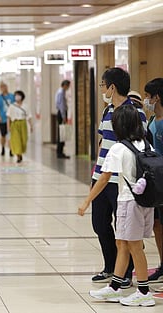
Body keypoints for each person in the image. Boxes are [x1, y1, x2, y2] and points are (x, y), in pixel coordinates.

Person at [78, 104, 155, 307]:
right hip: (145, 202)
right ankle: (115, 287)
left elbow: (103, 179)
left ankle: (144, 291)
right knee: (122, 243)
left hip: (129, 202)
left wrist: (87, 201)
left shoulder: (118, 149)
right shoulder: (146, 144)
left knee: (135, 247)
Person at [89, 67, 147, 287]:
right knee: (99, 223)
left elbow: (139, 145)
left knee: (125, 228)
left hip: (122, 180)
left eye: (103, 85)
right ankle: (110, 266)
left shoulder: (135, 112)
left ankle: (126, 273)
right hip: (101, 176)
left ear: (112, 87)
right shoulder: (107, 111)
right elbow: (103, 142)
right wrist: (95, 171)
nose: (102, 89)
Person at [143, 78, 163, 283]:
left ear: (156, 97)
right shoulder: (151, 121)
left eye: (148, 96)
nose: (146, 100)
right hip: (156, 179)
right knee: (157, 224)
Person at [6, 90, 33, 163]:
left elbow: (29, 116)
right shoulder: (12, 106)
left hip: (23, 124)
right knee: (16, 140)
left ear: (22, 97)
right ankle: (18, 155)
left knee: (23, 140)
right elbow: (8, 117)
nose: (17, 97)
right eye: (15, 95)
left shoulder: (25, 106)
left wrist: (31, 126)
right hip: (14, 124)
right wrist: (8, 127)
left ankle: (20, 153)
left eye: (18, 95)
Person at [0, 82, 15, 156]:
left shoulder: (12, 96)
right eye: (1, 87)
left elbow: (15, 106)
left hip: (11, 119)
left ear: (7, 87)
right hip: (2, 119)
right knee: (3, 135)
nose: (3, 88)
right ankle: (3, 148)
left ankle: (11, 149)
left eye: (4, 86)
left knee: (11, 135)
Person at [56, 80, 71, 159]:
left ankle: (60, 151)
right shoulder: (61, 92)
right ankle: (60, 152)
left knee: (61, 133)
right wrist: (64, 117)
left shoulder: (59, 91)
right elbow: (61, 106)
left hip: (61, 114)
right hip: (61, 114)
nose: (68, 87)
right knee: (61, 133)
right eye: (68, 86)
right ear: (65, 85)